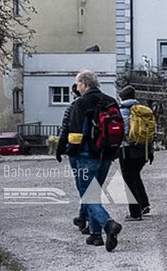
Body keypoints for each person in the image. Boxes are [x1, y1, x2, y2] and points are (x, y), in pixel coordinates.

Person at [66, 70, 123, 251]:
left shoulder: (81, 103)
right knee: (95, 194)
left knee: (88, 195)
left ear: (84, 83)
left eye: (78, 84)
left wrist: (71, 153)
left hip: (86, 157)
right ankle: (96, 235)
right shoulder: (110, 101)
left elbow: (74, 135)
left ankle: (108, 224)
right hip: (106, 155)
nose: (76, 87)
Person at [56, 83, 89, 234]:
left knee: (83, 187)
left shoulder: (72, 107)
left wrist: (60, 148)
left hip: (77, 151)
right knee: (90, 187)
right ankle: (83, 216)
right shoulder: (97, 104)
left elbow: (65, 129)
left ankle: (91, 218)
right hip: (96, 149)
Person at [118, 85, 153, 220]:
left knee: (129, 181)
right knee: (136, 176)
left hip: (127, 149)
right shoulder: (143, 110)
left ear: (122, 98)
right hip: (144, 149)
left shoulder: (121, 112)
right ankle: (144, 204)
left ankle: (135, 213)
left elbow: (121, 131)